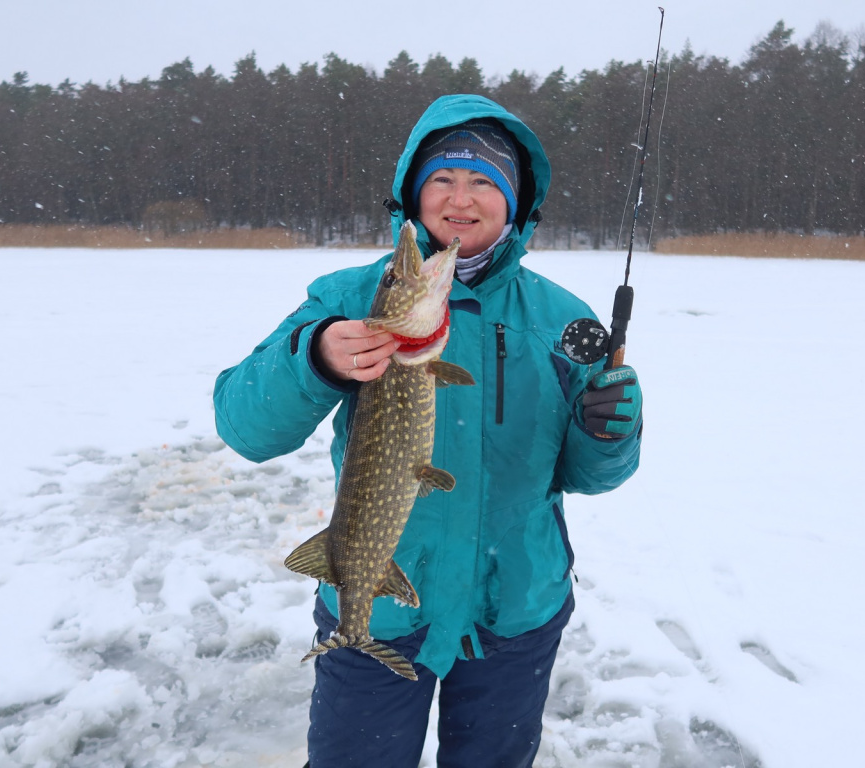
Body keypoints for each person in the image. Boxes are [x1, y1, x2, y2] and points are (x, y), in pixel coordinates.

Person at [213, 93, 643, 767]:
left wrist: (611, 432)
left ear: (514, 200)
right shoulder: (353, 298)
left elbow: (592, 477)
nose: (460, 198)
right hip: (379, 611)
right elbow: (244, 427)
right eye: (441, 178)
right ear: (412, 194)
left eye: (483, 181)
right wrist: (318, 357)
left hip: (514, 613)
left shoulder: (561, 319)